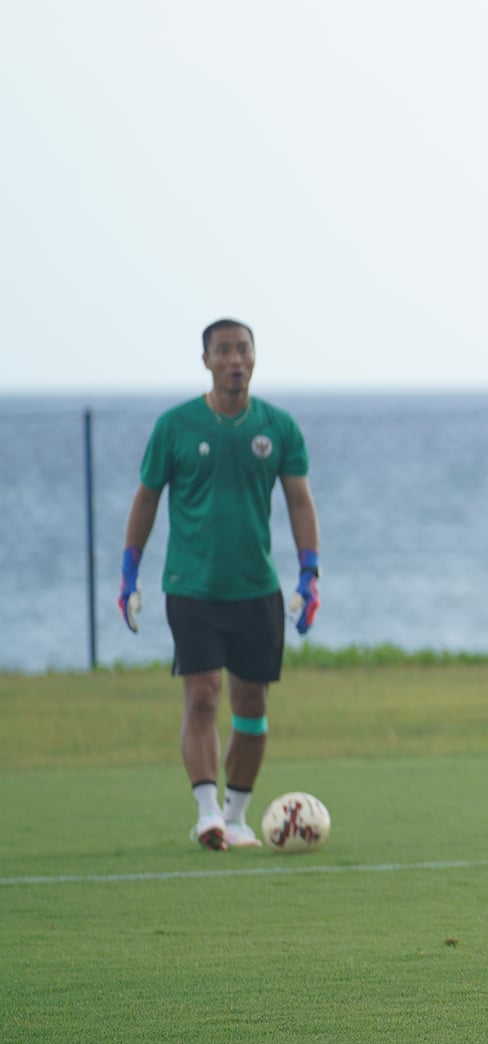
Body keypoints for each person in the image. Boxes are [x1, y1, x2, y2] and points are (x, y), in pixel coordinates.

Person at [120, 319, 321, 851]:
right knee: (203, 694)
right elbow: (147, 498)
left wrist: (310, 572)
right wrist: (128, 570)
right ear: (206, 360)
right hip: (192, 587)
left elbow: (300, 501)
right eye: (224, 351)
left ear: (255, 357)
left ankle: (236, 817)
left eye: (243, 350)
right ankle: (206, 812)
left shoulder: (278, 427)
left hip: (257, 589)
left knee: (252, 705)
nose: (235, 359)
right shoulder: (175, 426)